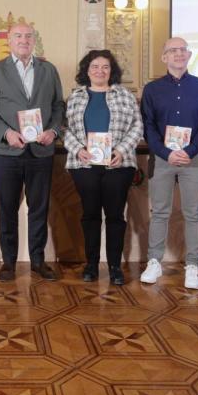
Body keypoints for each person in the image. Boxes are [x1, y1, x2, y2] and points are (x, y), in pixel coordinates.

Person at [0, 23, 65, 282]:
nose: (24, 40)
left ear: (34, 40)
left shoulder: (48, 70)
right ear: (9, 40)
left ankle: (38, 260)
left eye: (28, 36)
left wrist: (53, 131)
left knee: (39, 208)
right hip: (7, 152)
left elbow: (58, 106)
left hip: (41, 150)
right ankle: (9, 262)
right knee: (7, 208)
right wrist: (6, 133)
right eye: (18, 36)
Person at [139, 37, 198, 288]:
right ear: (164, 57)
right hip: (162, 160)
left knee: (193, 214)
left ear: (189, 54)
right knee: (159, 212)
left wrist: (191, 150)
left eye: (183, 50)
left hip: (192, 160)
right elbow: (148, 126)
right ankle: (154, 262)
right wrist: (165, 152)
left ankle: (193, 266)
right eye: (173, 50)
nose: (178, 54)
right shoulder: (152, 89)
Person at [63, 50, 143, 285]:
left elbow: (138, 126)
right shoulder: (75, 97)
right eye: (95, 66)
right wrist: (78, 149)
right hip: (84, 165)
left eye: (105, 67)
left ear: (112, 70)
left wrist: (121, 151)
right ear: (86, 71)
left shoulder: (125, 95)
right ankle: (91, 265)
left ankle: (115, 267)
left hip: (119, 165)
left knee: (116, 216)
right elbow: (64, 128)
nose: (100, 71)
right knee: (90, 215)